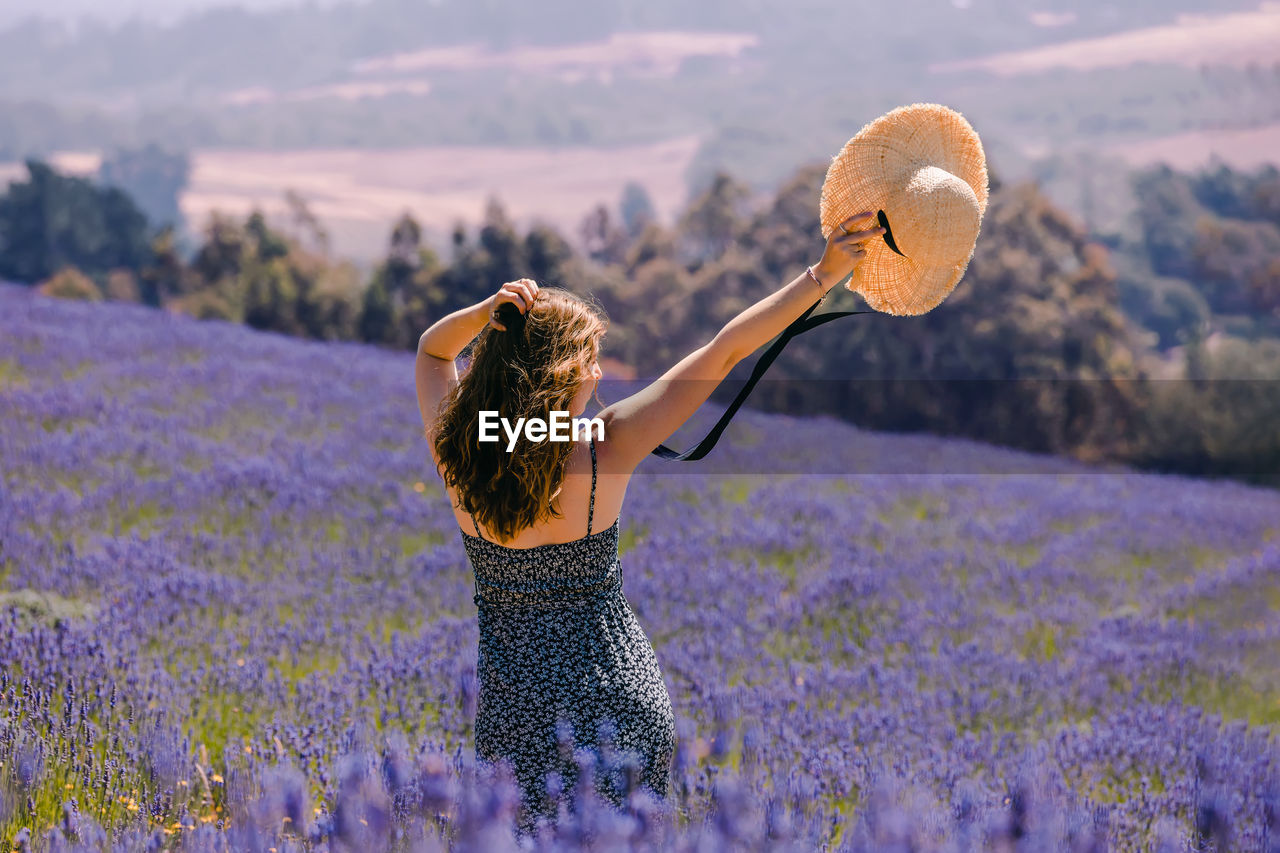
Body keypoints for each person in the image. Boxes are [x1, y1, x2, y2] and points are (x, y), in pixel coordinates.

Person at [414, 210, 883, 834]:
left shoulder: (460, 455)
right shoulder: (607, 446)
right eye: (589, 361)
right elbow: (727, 349)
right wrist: (823, 275)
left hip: (513, 715)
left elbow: (432, 350)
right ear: (559, 380)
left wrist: (484, 315)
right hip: (619, 701)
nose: (599, 374)